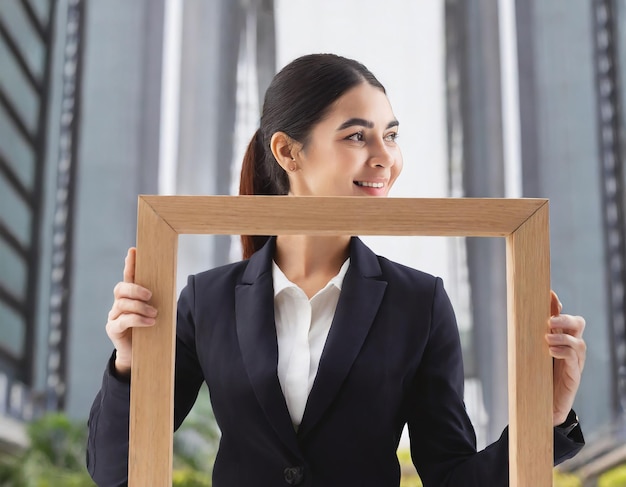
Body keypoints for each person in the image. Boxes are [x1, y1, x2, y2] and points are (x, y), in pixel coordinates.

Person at [87, 53, 586, 486]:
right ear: (287, 151)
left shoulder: (418, 302)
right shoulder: (208, 299)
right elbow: (115, 471)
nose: (384, 158)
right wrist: (131, 366)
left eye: (391, 136)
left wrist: (546, 421)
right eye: (357, 136)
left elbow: (453, 477)